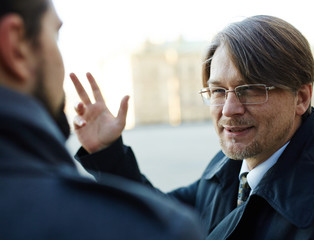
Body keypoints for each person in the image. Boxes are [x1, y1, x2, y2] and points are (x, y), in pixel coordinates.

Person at [72, 15, 314, 239]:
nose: (229, 109)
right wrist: (108, 153)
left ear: (301, 97)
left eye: (250, 89)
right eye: (219, 91)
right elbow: (162, 218)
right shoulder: (227, 171)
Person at [0, 0, 205, 239]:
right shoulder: (150, 230)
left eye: (245, 90)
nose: (230, 109)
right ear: (17, 47)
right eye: (55, 35)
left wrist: (107, 153)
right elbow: (165, 212)